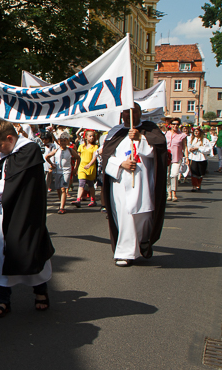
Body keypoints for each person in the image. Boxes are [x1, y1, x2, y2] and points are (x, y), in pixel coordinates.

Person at [0, 121, 54, 317]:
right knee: (2, 254)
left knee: (32, 250)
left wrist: (0, 185)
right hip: (6, 210)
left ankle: (41, 291)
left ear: (10, 138)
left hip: (27, 211)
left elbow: (19, 179)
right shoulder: (7, 152)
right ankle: (2, 299)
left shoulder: (29, 150)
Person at [100, 103, 168, 267]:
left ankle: (142, 242)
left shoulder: (150, 130)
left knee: (143, 216)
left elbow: (158, 153)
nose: (129, 115)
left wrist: (141, 139)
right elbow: (106, 156)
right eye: (126, 112)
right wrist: (120, 164)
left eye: (134, 112)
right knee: (125, 217)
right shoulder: (115, 132)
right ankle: (125, 253)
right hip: (120, 183)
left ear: (140, 113)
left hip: (142, 182)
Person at [45, 133, 79, 214]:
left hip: (66, 171)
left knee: (63, 188)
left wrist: (75, 169)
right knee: (58, 189)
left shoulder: (70, 150)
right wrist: (52, 164)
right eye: (61, 141)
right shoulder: (56, 150)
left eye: (65, 141)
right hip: (58, 171)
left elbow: (78, 158)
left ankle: (62, 207)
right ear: (59, 142)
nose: (63, 142)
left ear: (67, 141)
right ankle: (62, 202)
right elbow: (47, 157)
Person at [73, 130, 99, 207]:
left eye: (93, 136)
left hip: (91, 168)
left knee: (91, 185)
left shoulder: (95, 147)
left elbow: (94, 157)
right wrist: (76, 168)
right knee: (81, 183)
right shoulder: (81, 146)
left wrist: (89, 164)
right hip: (82, 167)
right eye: (90, 136)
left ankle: (93, 200)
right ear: (86, 137)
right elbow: (78, 158)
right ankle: (78, 200)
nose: (92, 137)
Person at [164, 118, 186, 201]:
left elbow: (185, 147)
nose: (175, 125)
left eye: (177, 124)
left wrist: (186, 157)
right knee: (167, 176)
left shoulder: (182, 135)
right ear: (170, 125)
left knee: (174, 175)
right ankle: (169, 193)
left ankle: (174, 193)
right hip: (167, 158)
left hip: (177, 157)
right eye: (173, 124)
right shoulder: (166, 134)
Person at [187, 127, 213, 191]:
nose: (196, 132)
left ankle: (198, 184)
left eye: (197, 131)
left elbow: (208, 150)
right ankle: (194, 186)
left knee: (201, 173)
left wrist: (198, 148)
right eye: (195, 131)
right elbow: (187, 147)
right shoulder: (190, 139)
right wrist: (190, 149)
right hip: (193, 158)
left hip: (202, 158)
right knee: (194, 172)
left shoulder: (205, 140)